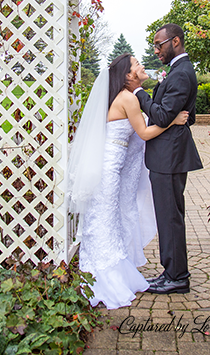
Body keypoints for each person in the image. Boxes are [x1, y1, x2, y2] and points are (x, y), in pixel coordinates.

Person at [66, 53, 189, 309]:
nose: (141, 65)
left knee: (105, 221)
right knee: (105, 221)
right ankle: (103, 278)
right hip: (109, 172)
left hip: (110, 168)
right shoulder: (127, 98)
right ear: (128, 75)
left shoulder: (119, 97)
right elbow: (144, 133)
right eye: (136, 64)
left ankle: (105, 272)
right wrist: (172, 121)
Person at [126, 23, 203, 295]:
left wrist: (138, 92)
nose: (156, 50)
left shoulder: (181, 74)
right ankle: (171, 272)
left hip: (169, 158)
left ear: (176, 42)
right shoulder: (178, 72)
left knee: (170, 218)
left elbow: (159, 116)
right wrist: (177, 119)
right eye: (155, 46)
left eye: (159, 44)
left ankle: (177, 277)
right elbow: (187, 115)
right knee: (169, 216)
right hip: (168, 156)